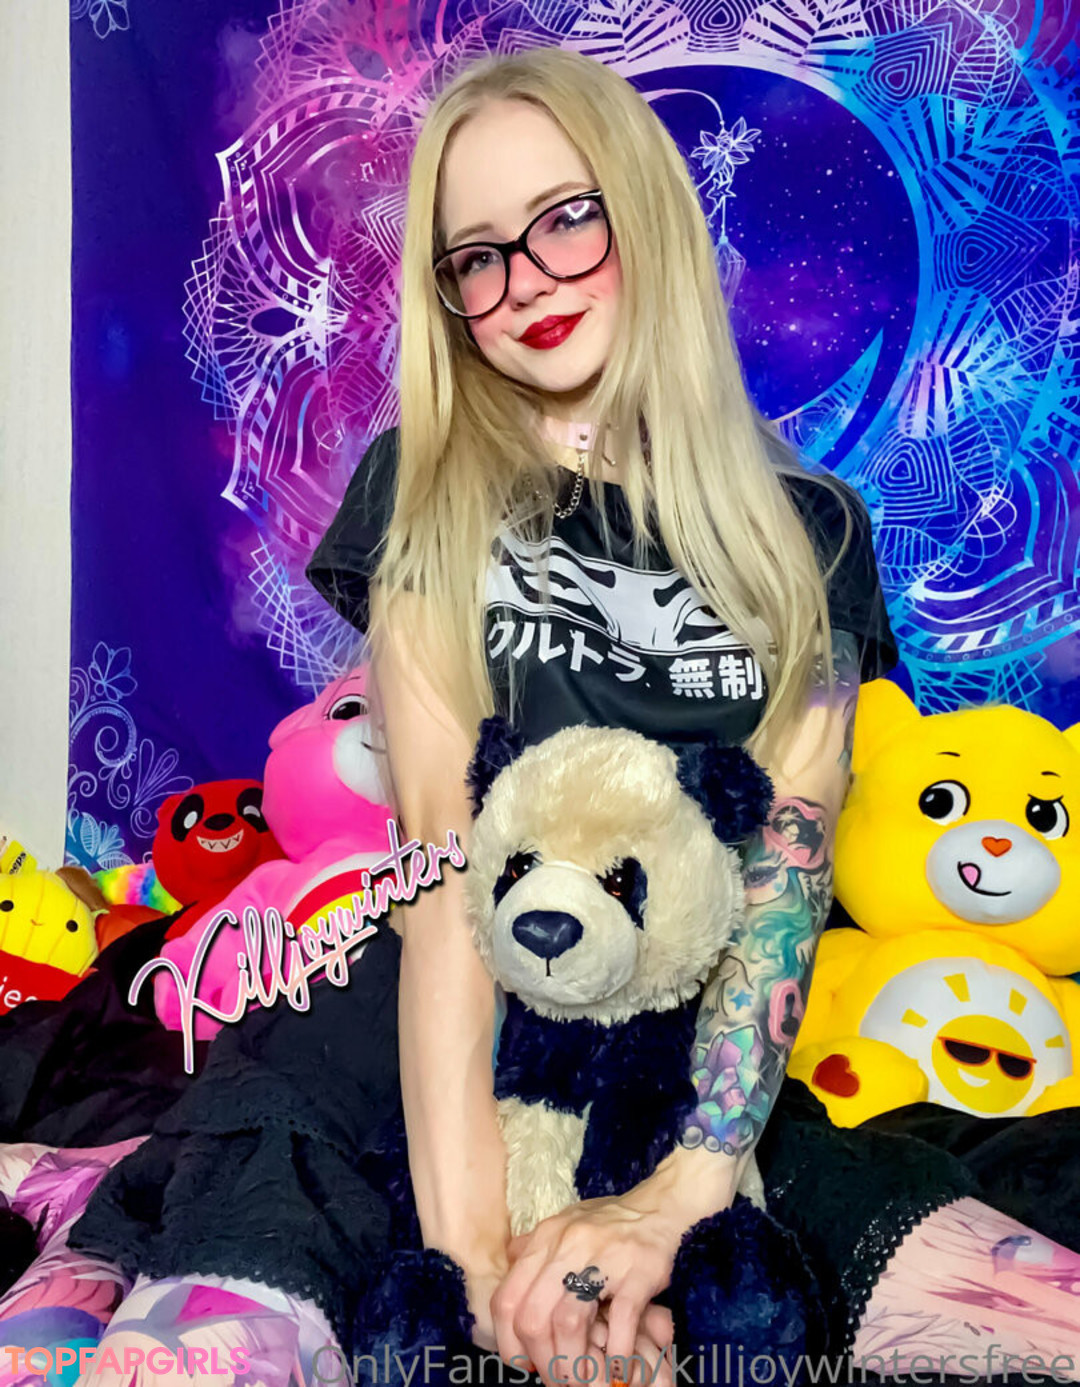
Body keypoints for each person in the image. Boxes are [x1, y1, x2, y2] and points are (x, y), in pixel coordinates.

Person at [69, 44, 1080, 1387]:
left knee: (989, 1298)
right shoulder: (423, 491)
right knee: (228, 1316)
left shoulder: (810, 532)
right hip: (424, 1055)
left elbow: (783, 886)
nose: (526, 282)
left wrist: (675, 1200)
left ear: (644, 210)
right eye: (476, 256)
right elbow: (441, 885)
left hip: (689, 1068)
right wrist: (485, 1265)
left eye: (565, 219)